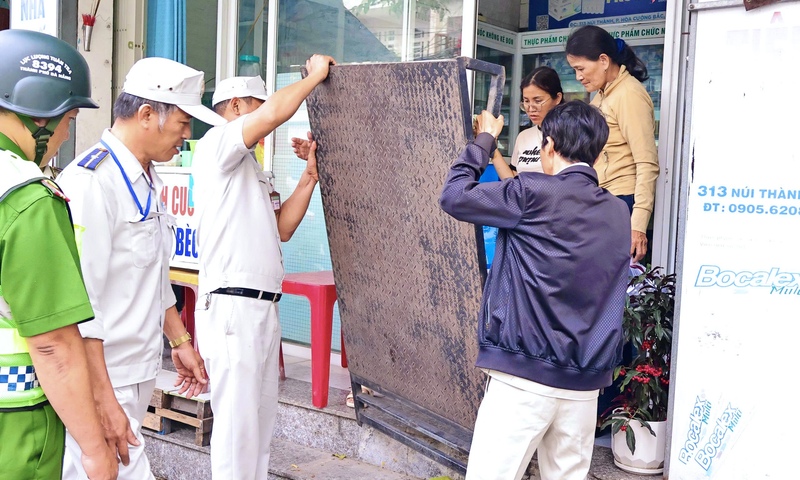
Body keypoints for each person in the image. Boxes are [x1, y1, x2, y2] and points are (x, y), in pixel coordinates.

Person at [439, 101, 631, 480]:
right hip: (584, 384)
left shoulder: (531, 191)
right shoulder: (617, 212)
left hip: (523, 377)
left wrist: (485, 140)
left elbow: (453, 195)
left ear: (549, 146)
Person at [57, 57, 216, 480]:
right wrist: (103, 401)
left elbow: (150, 275)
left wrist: (179, 340)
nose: (187, 134)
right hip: (102, 378)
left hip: (136, 370)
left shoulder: (147, 179)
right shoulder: (92, 183)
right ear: (147, 115)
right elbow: (80, 307)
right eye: (183, 122)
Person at [191, 55, 335, 480]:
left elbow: (283, 228)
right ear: (236, 106)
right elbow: (277, 111)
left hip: (261, 308)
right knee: (237, 434)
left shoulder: (249, 167)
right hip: (234, 306)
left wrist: (309, 177)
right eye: (257, 104)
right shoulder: (218, 143)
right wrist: (315, 78)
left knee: (258, 429)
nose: (265, 117)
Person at [0, 29, 118, 480]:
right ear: (38, 112)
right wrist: (93, 449)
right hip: (15, 426)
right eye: (68, 118)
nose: (68, 134)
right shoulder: (26, 198)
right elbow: (53, 345)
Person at [565, 25, 659, 263]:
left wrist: (637, 225)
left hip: (623, 202)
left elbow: (647, 163)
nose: (578, 77)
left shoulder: (629, 94)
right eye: (574, 70)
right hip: (604, 199)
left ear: (604, 60)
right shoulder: (603, 94)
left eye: (581, 68)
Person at [491, 66, 564, 179]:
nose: (531, 108)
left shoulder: (570, 134)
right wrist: (493, 149)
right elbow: (513, 181)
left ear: (557, 98)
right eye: (526, 101)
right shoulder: (523, 137)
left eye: (538, 101)